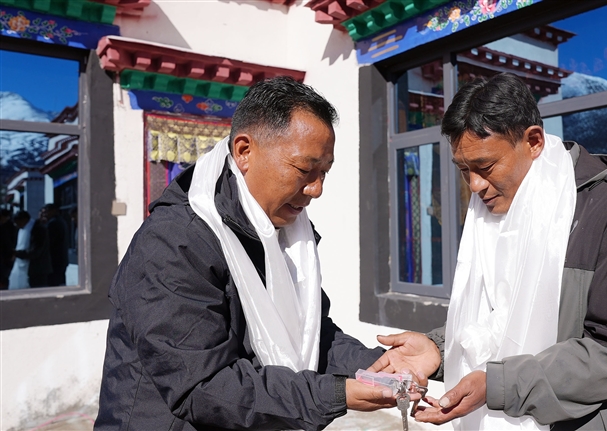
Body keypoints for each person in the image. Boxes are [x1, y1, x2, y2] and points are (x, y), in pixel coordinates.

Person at [95, 77, 415, 430]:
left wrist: (379, 366)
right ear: (245, 151)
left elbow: (311, 333)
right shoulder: (175, 242)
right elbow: (203, 388)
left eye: (324, 172)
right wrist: (333, 394)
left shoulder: (284, 235)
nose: (316, 189)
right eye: (304, 169)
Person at [370, 73, 607, 430]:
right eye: (464, 170)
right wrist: (438, 349)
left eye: (485, 167)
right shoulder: (496, 207)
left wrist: (500, 385)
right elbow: (502, 316)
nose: (475, 185)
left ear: (533, 141)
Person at [11, 210, 51, 288]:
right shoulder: (24, 229)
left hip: (38, 269)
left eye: (17, 222)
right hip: (30, 269)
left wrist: (17, 253)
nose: (16, 225)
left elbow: (35, 251)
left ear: (24, 220)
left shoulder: (38, 229)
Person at [43, 203, 69, 286]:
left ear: (53, 211)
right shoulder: (61, 221)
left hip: (54, 260)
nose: (45, 214)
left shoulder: (53, 223)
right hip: (61, 259)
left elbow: (48, 242)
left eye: (47, 212)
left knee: (53, 283)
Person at [0, 208, 17, 289]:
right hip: (6, 256)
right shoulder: (11, 226)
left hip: (5, 256)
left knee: (4, 275)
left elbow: (8, 243)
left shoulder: (7, 227)